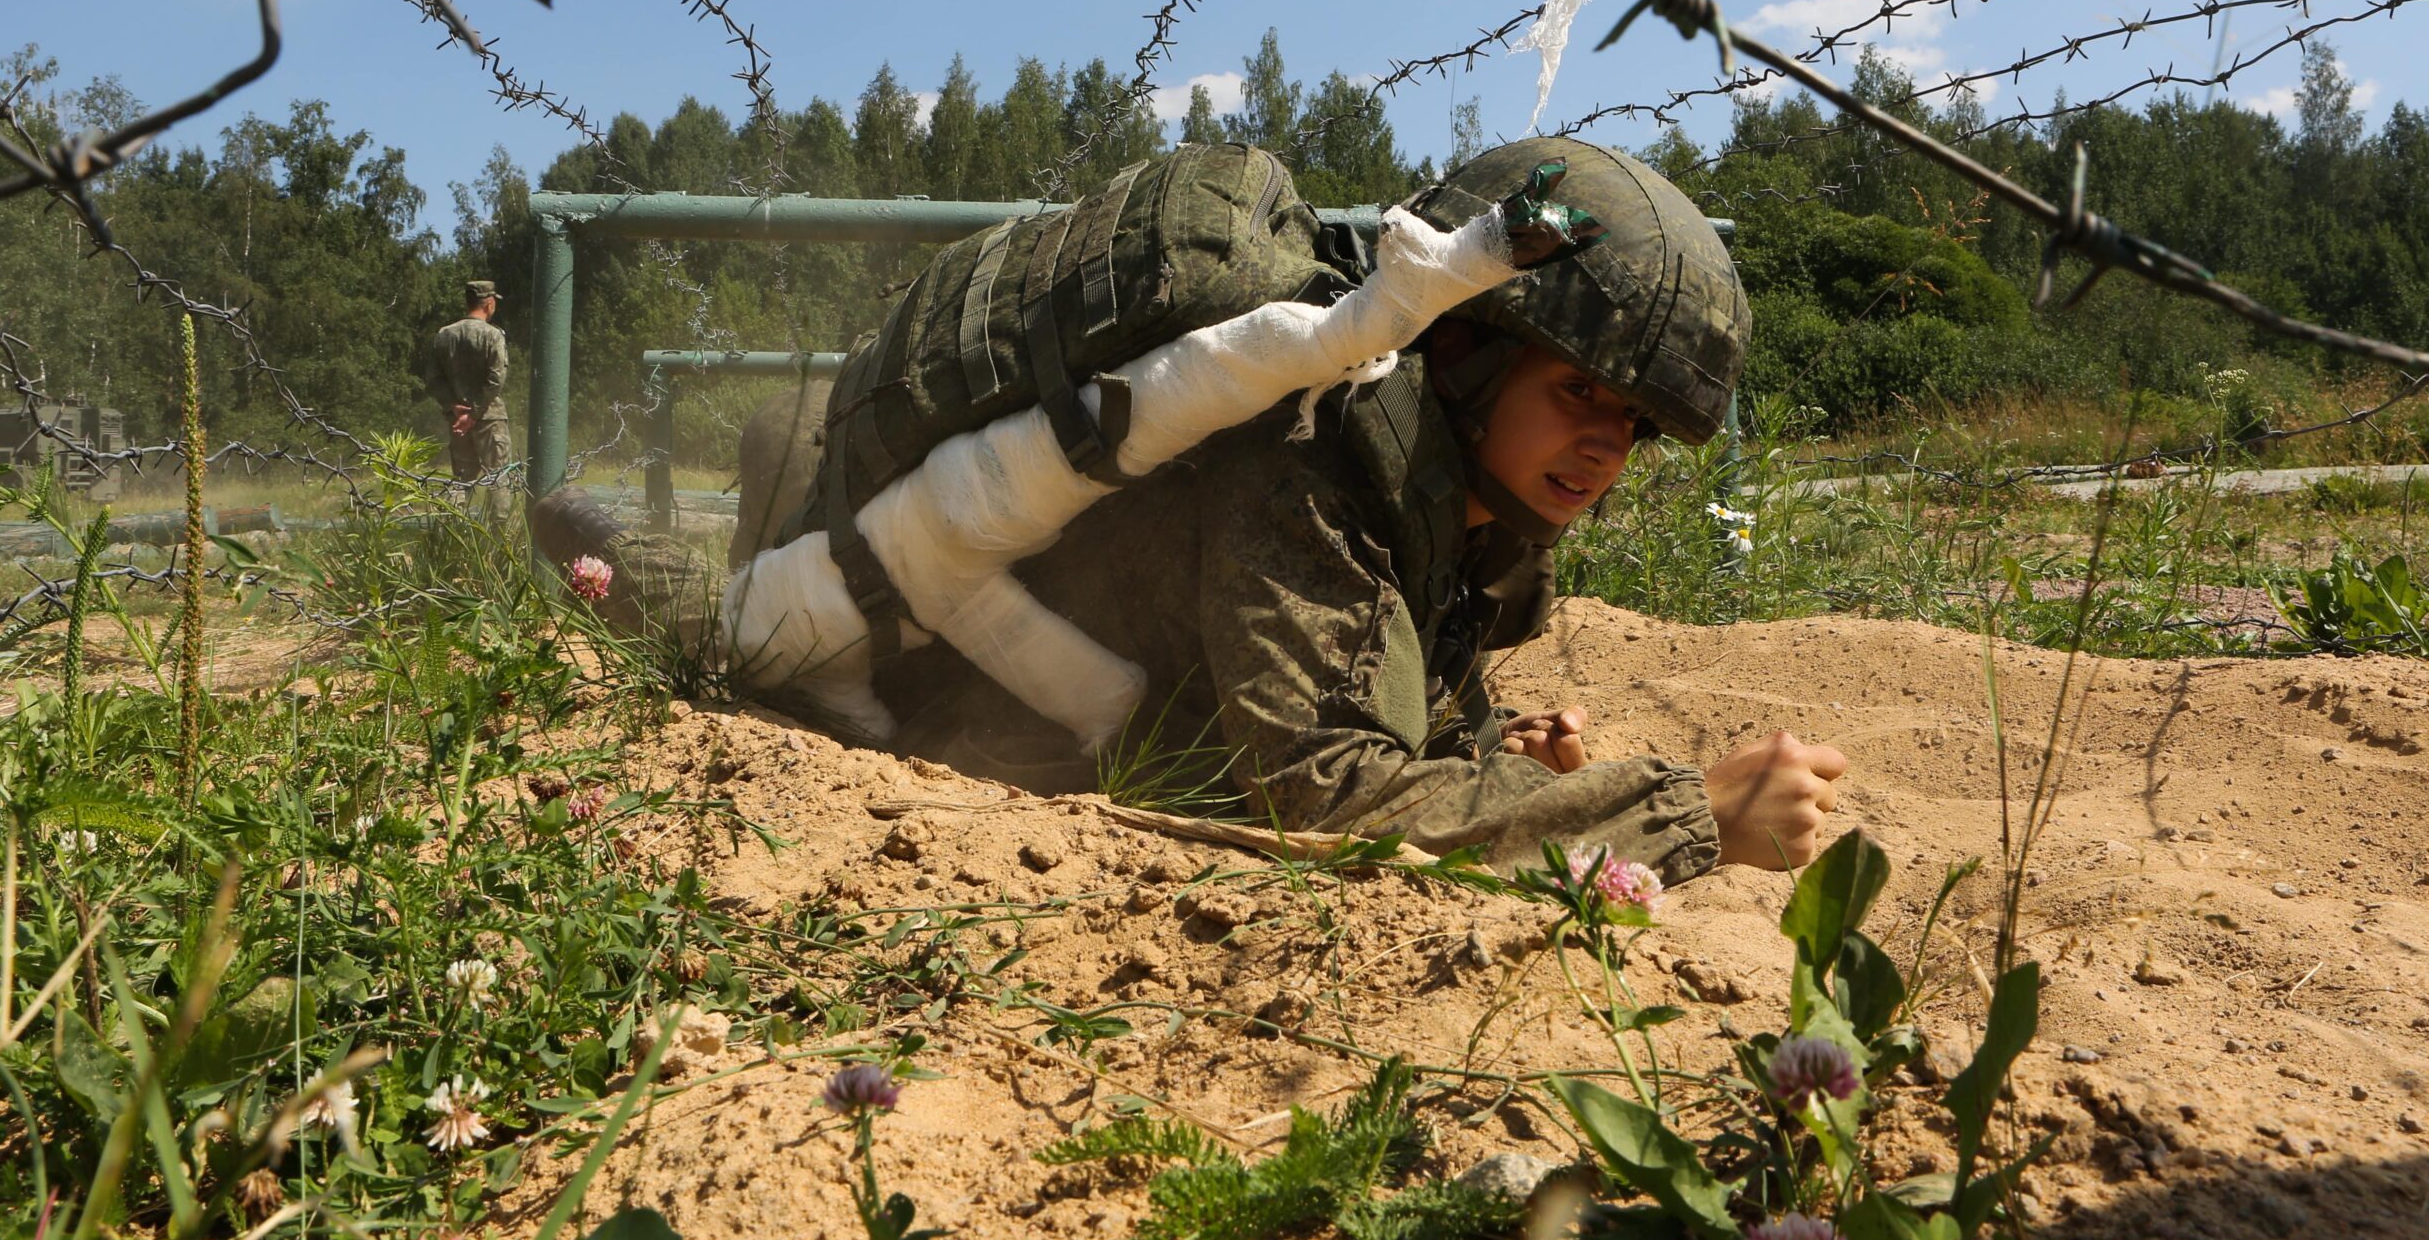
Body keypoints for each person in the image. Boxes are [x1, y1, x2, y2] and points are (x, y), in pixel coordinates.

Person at [532, 139, 1845, 884]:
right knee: (734, 648)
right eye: (1578, 391)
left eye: (1633, 421)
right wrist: (1684, 813)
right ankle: (607, 558)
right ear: (1468, 351)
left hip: (1023, 665)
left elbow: (1373, 674)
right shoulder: (1304, 453)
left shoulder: (1442, 496)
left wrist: (1495, 741)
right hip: (907, 657)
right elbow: (1330, 794)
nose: (1605, 442)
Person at [428, 280, 512, 512]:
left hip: (458, 421)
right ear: (489, 303)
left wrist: (454, 407)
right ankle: (499, 539)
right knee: (498, 478)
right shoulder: (493, 335)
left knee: (460, 480)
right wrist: (474, 413)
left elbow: (434, 380)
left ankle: (453, 530)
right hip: (489, 418)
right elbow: (496, 379)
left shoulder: (445, 335)